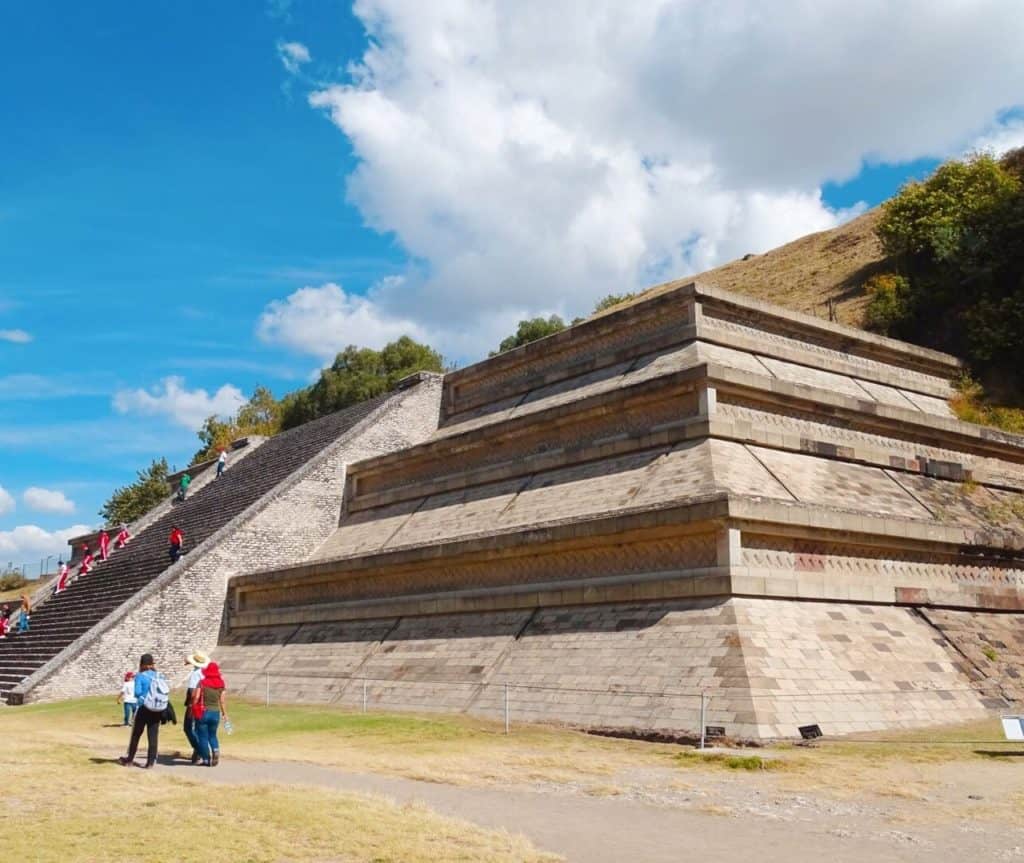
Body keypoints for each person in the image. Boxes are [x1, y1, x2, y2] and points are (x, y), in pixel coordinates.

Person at [119, 653, 168, 768]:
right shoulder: (160, 676)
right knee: (153, 735)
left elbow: (137, 692)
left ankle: (130, 759)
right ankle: (150, 762)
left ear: (142, 664)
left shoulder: (141, 676)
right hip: (157, 708)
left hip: (144, 708)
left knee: (136, 734)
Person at [193, 660, 228, 767]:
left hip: (203, 712)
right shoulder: (221, 684)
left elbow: (196, 697)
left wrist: (193, 707)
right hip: (215, 712)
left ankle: (206, 759)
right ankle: (216, 750)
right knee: (212, 735)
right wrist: (225, 714)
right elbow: (222, 701)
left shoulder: (202, 683)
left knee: (202, 736)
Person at [183, 651, 209, 764]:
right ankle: (198, 751)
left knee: (188, 727)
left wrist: (190, 705)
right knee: (199, 729)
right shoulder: (203, 672)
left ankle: (200, 750)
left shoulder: (195, 674)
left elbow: (193, 692)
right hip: (204, 703)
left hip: (195, 703)